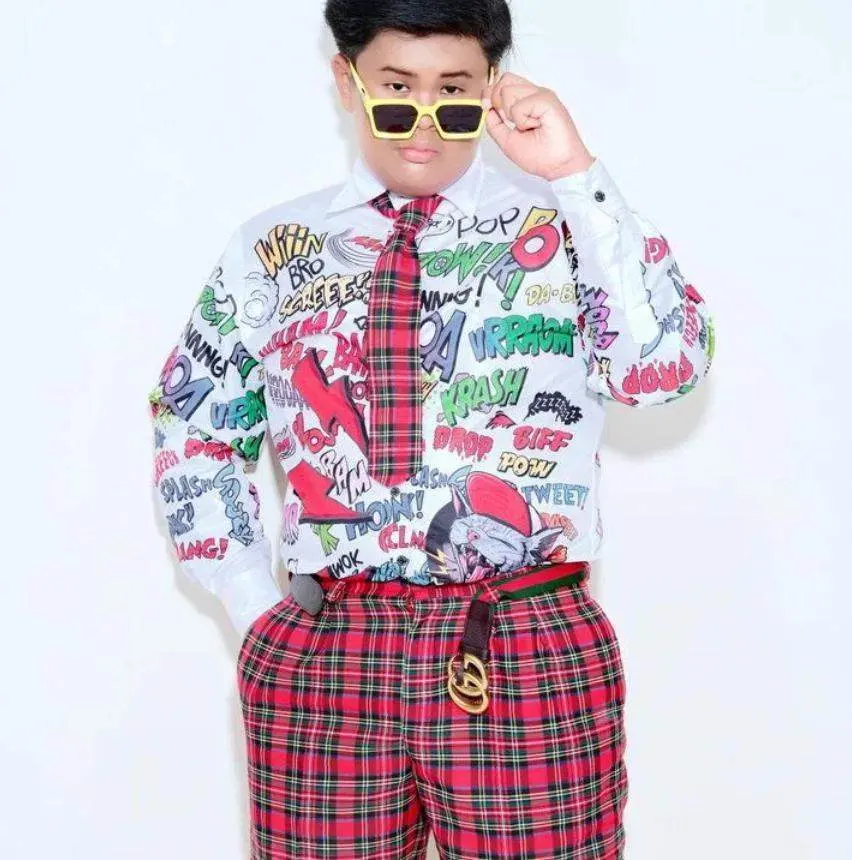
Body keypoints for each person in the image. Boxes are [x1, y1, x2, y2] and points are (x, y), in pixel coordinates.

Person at [148, 0, 715, 856]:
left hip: (521, 636)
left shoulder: (566, 231)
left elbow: (664, 368)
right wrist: (256, 610)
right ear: (347, 82)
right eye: (396, 91)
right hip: (326, 649)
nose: (423, 123)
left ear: (490, 88)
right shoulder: (273, 250)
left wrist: (574, 172)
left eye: (453, 95)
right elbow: (196, 424)